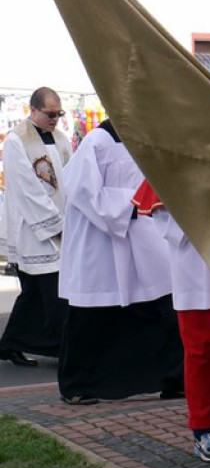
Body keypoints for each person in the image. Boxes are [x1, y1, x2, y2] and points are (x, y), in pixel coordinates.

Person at [57, 119, 185, 405]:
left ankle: (173, 378)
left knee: (161, 305)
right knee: (91, 316)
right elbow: (80, 190)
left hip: (141, 234)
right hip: (99, 241)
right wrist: (133, 202)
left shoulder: (145, 139)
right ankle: (78, 384)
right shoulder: (98, 140)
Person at [143, 182, 210, 463]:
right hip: (194, 263)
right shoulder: (170, 159)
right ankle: (205, 427)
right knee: (203, 349)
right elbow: (163, 213)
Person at [0, 87, 71, 366]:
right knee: (51, 291)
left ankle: (11, 343)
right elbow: (26, 190)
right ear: (33, 109)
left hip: (61, 226)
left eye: (59, 114)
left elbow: (70, 179)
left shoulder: (61, 138)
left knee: (35, 294)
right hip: (33, 229)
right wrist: (55, 225)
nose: (55, 119)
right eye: (50, 114)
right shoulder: (17, 140)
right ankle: (62, 347)